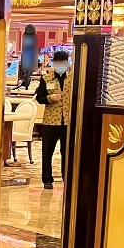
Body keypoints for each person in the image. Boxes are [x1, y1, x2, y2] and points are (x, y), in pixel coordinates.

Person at [34, 49, 71, 189]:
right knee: (47, 151)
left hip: (67, 121)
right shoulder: (46, 78)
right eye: (59, 62)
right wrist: (50, 98)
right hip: (50, 121)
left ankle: (67, 178)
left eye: (63, 62)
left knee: (66, 152)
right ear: (54, 63)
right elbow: (39, 98)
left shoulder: (73, 78)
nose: (61, 65)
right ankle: (47, 179)